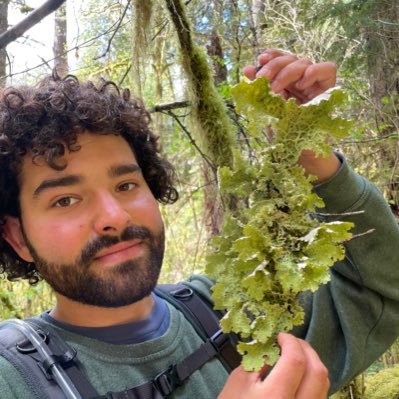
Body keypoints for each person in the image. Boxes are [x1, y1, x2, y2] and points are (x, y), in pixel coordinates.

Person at [0, 49, 398, 399]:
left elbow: (382, 289)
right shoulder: (14, 379)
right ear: (17, 236)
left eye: (126, 184)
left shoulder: (236, 311)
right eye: (65, 199)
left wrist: (312, 152)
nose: (115, 217)